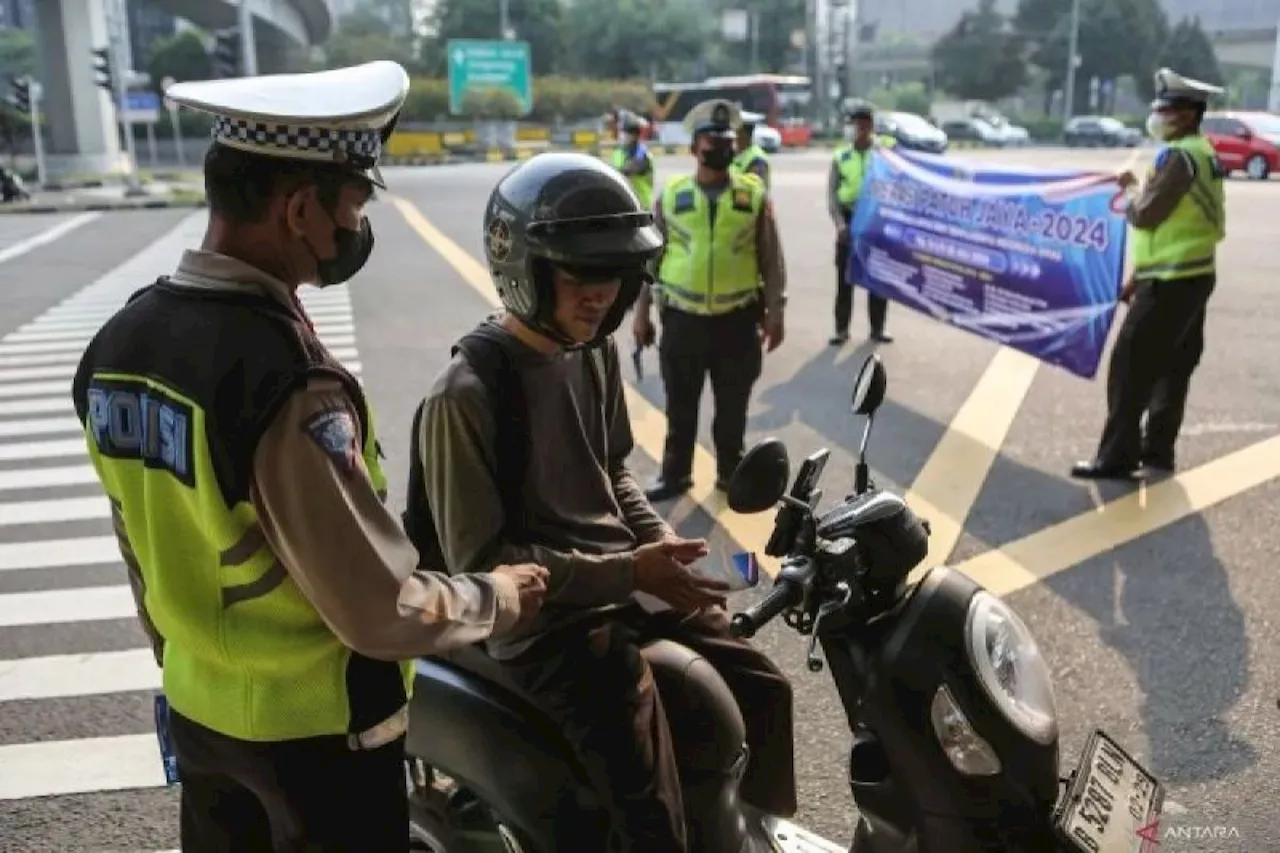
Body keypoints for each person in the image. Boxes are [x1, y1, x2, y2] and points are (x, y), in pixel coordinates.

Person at [70, 61, 548, 853]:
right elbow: (375, 610)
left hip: (202, 715)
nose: (355, 229)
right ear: (298, 209)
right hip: (318, 739)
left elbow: (141, 550)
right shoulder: (282, 379)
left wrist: (190, 665)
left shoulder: (120, 343)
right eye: (352, 205)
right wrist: (494, 595)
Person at [413, 151, 797, 853]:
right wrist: (630, 572)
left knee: (763, 687)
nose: (600, 295)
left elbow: (614, 471)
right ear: (523, 270)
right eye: (579, 275)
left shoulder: (591, 349)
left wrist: (665, 560)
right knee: (646, 790)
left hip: (614, 580)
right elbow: (483, 565)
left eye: (613, 276)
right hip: (538, 625)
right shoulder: (466, 394)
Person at [1071, 68, 1226, 480]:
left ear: (1190, 114)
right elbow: (1179, 225)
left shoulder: (1180, 156)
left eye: (1167, 109)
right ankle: (1158, 453)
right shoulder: (1202, 151)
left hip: (1172, 283)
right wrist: (1138, 277)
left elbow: (1147, 215)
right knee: (1174, 368)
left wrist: (1129, 189)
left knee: (1130, 368)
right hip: (1190, 274)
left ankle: (1117, 458)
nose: (1158, 116)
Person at [634, 99, 787, 501]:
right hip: (683, 321)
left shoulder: (752, 197)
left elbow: (772, 260)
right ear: (693, 148)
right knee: (680, 405)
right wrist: (640, 314)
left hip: (738, 322)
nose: (718, 148)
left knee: (732, 407)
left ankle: (729, 472)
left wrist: (776, 313)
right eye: (709, 141)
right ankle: (675, 474)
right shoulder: (672, 197)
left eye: (725, 140)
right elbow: (652, 261)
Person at [829, 101, 895, 345]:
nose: (861, 130)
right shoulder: (840, 156)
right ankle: (841, 330)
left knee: (877, 277)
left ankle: (878, 328)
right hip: (849, 218)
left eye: (866, 125)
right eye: (857, 125)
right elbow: (832, 196)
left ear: (872, 127)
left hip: (875, 220)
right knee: (844, 279)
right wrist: (839, 225)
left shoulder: (883, 154)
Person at [610, 110, 656, 208]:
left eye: (626, 133)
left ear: (635, 135)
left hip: (642, 204)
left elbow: (626, 172)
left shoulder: (643, 154)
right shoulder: (618, 152)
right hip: (624, 202)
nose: (622, 136)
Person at [730, 110, 771, 191]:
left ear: (745, 134)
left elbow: (754, 186)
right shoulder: (735, 152)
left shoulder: (757, 158)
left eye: (736, 131)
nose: (733, 134)